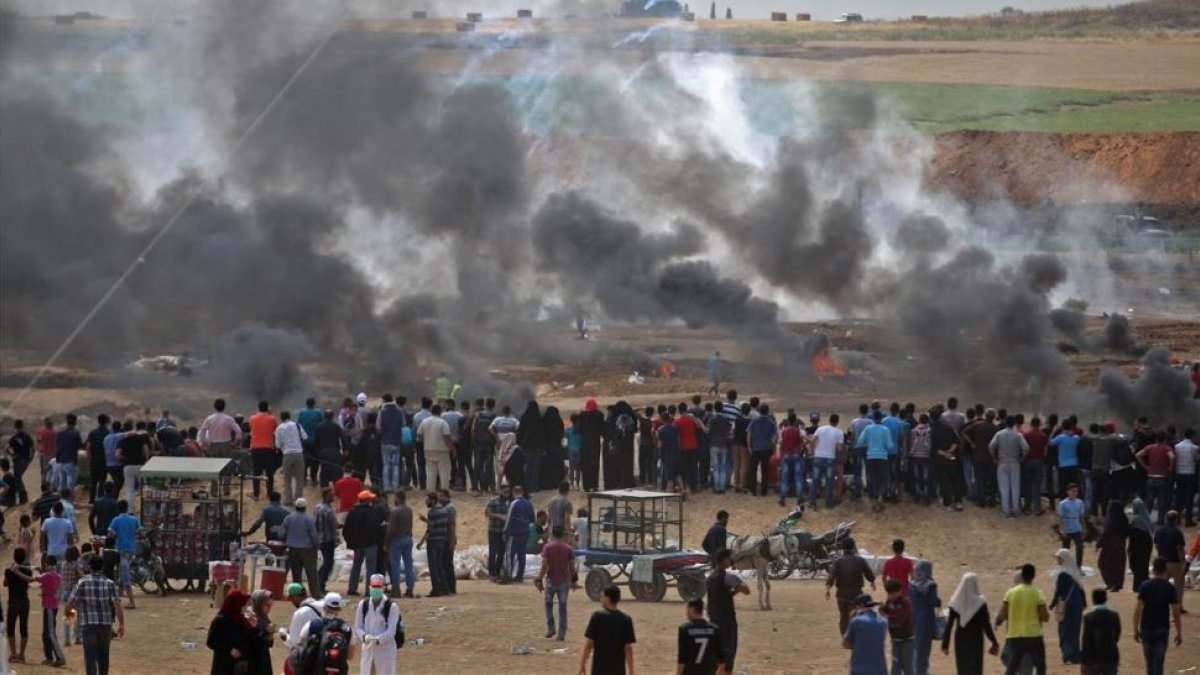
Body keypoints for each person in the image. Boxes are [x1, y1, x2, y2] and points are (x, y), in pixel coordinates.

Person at [66, 555, 124, 675]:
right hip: (105, 624)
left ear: (89, 567)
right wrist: (121, 624)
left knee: (90, 657)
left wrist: (70, 619)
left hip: (88, 625)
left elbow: (70, 603)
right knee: (104, 656)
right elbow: (117, 605)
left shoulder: (82, 582)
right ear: (102, 567)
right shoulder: (109, 583)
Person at [941, 572, 998, 675]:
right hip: (976, 639)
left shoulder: (955, 602)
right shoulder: (980, 603)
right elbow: (986, 625)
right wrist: (994, 641)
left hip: (960, 639)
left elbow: (949, 624)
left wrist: (945, 644)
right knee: (975, 667)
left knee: (962, 667)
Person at [996, 563, 1049, 675]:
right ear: (1033, 576)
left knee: (1012, 666)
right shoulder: (1037, 593)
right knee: (1040, 666)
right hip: (1033, 635)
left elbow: (1003, 614)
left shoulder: (1010, 593)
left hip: (1015, 635)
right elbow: (1045, 617)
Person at [1135, 557, 1182, 675]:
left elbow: (1137, 610)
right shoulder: (1169, 588)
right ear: (1165, 570)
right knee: (1159, 662)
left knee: (1149, 662)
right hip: (1162, 627)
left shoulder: (1145, 586)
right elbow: (1176, 613)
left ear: (1153, 569)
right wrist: (1179, 632)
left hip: (1146, 627)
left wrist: (1135, 630)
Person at [706, 548, 748, 672]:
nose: (731, 560)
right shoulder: (729, 577)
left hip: (713, 619)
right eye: (729, 558)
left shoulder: (710, 578)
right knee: (728, 653)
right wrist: (737, 588)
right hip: (727, 621)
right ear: (724, 560)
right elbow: (746, 590)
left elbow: (719, 596)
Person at [580, 585, 635, 675]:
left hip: (599, 669)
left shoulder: (597, 617)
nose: (600, 599)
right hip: (618, 670)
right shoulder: (625, 619)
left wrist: (583, 664)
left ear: (608, 598)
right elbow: (628, 648)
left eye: (602, 596)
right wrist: (631, 671)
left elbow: (589, 644)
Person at [294, 592, 354, 675]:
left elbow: (299, 647)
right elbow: (350, 655)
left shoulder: (312, 624)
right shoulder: (347, 628)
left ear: (324, 606)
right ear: (339, 608)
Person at [827, 538, 877, 636]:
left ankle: (845, 637)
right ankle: (856, 635)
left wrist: (828, 590)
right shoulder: (860, 560)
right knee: (857, 615)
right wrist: (872, 582)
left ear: (842, 548)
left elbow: (831, 576)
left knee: (843, 617)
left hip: (841, 594)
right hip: (857, 594)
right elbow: (868, 573)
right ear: (853, 547)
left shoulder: (838, 562)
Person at [353, 575, 400, 675]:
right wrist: (365, 637)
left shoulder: (391, 606)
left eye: (378, 587)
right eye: (374, 587)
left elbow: (391, 631)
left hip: (385, 650)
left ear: (383, 587)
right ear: (369, 586)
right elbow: (357, 626)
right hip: (368, 648)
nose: (376, 589)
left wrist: (378, 639)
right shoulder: (363, 604)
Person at [536, 526, 576, 641]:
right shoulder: (568, 549)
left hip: (551, 580)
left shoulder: (547, 547)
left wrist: (539, 578)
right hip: (564, 581)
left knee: (548, 604)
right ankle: (561, 633)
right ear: (563, 535)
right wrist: (574, 581)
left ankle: (551, 628)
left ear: (552, 535)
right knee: (562, 607)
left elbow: (544, 565)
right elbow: (572, 567)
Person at [1049, 548, 1086, 664]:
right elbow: (1081, 590)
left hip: (1063, 604)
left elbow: (1059, 591)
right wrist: (1084, 603)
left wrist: (1052, 604)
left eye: (1059, 558)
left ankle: (1067, 654)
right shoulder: (1074, 573)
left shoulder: (1062, 574)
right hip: (1077, 605)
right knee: (1075, 629)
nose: (1058, 560)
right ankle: (1076, 655)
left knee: (1064, 629)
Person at [279, 498, 320, 598]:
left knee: (296, 574)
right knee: (311, 574)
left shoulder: (288, 518)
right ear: (305, 508)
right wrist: (316, 547)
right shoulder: (308, 519)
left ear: (295, 507)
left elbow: (281, 534)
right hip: (307, 550)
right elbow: (314, 536)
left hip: (292, 550)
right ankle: (315, 595)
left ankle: (298, 595)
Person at [344, 491, 383, 597]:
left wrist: (350, 542)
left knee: (356, 566)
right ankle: (369, 591)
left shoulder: (352, 512)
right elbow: (376, 528)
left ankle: (352, 589)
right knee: (370, 568)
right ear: (366, 500)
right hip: (370, 544)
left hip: (357, 545)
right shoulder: (372, 512)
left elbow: (346, 529)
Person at [207, 589, 253, 675]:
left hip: (240, 666)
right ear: (236, 604)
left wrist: (252, 627)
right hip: (224, 666)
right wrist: (229, 650)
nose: (246, 608)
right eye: (244, 605)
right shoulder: (220, 620)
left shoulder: (241, 620)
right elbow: (211, 642)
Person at [107, 500, 141, 610]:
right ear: (127, 508)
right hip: (132, 549)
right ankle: (121, 593)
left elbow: (110, 534)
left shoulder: (116, 520)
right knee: (122, 572)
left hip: (121, 550)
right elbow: (141, 532)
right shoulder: (134, 519)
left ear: (118, 509)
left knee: (124, 574)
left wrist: (117, 536)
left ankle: (131, 602)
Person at [842, 594, 888, 675]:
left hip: (860, 669)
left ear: (861, 605)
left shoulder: (856, 621)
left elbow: (846, 644)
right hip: (880, 669)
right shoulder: (883, 622)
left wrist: (850, 620)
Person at [909, 560, 941, 675]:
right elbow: (933, 601)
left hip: (914, 617)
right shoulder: (931, 585)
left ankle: (917, 670)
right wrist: (938, 601)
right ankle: (921, 671)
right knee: (924, 647)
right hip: (926, 618)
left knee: (916, 646)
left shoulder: (912, 584)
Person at [677, 598, 724, 675]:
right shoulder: (714, 629)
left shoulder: (685, 629)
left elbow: (682, 658)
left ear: (692, 609)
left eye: (687, 609)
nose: (686, 613)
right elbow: (721, 659)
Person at [417, 492, 452, 597]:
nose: (426, 502)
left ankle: (436, 590)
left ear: (433, 500)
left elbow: (430, 529)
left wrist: (421, 542)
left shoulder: (432, 512)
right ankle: (445, 589)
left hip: (433, 541)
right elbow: (437, 524)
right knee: (440, 565)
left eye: (427, 500)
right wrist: (426, 521)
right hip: (442, 541)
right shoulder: (444, 510)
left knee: (433, 567)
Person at [1080, 587, 1120, 675]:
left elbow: (1086, 640)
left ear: (1093, 600)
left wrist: (1083, 660)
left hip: (1093, 658)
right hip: (1110, 656)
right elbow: (1116, 636)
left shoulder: (1088, 617)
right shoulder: (1114, 616)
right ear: (1106, 599)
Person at [1153, 509, 1187, 614]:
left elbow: (1157, 546)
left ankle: (1160, 606)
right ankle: (1178, 607)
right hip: (1175, 562)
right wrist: (1183, 561)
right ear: (1176, 519)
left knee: (1161, 585)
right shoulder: (1177, 531)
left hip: (1163, 562)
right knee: (1178, 586)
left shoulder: (1158, 530)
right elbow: (1179, 548)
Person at [880, 579, 915, 675]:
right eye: (888, 594)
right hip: (895, 639)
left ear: (900, 591)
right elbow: (885, 611)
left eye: (893, 594)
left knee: (908, 667)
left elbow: (902, 618)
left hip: (907, 639)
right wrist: (882, 608)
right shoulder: (889, 602)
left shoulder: (905, 602)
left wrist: (887, 616)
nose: (890, 596)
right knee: (895, 667)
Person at [417, 405, 454, 492]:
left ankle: (431, 491)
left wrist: (426, 440)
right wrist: (452, 448)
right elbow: (446, 437)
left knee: (430, 472)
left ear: (431, 411)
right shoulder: (443, 422)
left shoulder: (424, 421)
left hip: (428, 449)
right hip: (442, 450)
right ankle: (444, 491)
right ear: (440, 411)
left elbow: (419, 434)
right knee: (444, 472)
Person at [385, 491, 415, 599]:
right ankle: (410, 589)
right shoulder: (409, 510)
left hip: (397, 540)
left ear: (398, 498)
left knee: (395, 566)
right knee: (408, 565)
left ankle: (396, 589)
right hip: (408, 538)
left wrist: (386, 542)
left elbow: (391, 529)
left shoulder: (395, 511)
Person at [5, 547, 32, 664]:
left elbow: (5, 583)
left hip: (13, 602)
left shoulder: (9, 571)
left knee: (10, 628)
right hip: (24, 601)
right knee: (23, 628)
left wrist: (13, 569)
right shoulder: (27, 570)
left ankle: (13, 653)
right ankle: (21, 654)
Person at [274, 411, 307, 506]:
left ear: (281, 418)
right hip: (299, 453)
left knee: (287, 478)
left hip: (287, 454)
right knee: (300, 478)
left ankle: (288, 500)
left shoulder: (279, 428)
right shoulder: (297, 425)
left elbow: (277, 445)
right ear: (290, 416)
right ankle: (299, 500)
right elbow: (305, 437)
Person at [1096, 500, 1129, 592]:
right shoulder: (1124, 519)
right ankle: (1117, 584)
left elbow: (1106, 533)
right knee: (1118, 566)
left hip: (1110, 546)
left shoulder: (1111, 520)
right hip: (1120, 546)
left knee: (1103, 563)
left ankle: (1110, 583)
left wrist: (1099, 544)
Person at [283, 583, 322, 658]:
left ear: (296, 597)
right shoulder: (323, 606)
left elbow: (293, 642)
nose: (292, 602)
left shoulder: (299, 613)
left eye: (291, 599)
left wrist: (285, 636)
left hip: (309, 655)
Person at [504, 486, 535, 583]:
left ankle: (509, 575)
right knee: (522, 555)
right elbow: (532, 519)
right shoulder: (529, 503)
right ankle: (519, 575)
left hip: (515, 532)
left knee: (510, 554)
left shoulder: (514, 503)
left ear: (514, 493)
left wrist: (505, 530)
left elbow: (508, 518)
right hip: (525, 532)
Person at [745, 405, 777, 497]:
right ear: (767, 412)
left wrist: (749, 446)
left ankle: (753, 489)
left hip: (756, 448)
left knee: (753, 469)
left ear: (759, 411)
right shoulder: (771, 422)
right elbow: (775, 436)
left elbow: (749, 434)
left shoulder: (754, 421)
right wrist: (773, 445)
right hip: (767, 448)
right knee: (765, 469)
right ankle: (764, 490)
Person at [314, 488, 339, 594]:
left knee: (327, 562)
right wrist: (337, 539)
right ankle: (320, 583)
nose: (333, 497)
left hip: (321, 539)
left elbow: (315, 524)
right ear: (325, 496)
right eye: (331, 495)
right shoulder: (327, 510)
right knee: (328, 563)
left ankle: (319, 583)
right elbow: (333, 526)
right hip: (328, 540)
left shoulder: (318, 508)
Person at [485, 487, 512, 581]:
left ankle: (497, 572)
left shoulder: (509, 503)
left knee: (502, 552)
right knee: (493, 552)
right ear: (500, 491)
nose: (506, 493)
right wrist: (499, 516)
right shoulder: (493, 501)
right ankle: (491, 573)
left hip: (504, 531)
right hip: (493, 530)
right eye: (505, 492)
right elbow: (487, 513)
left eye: (508, 492)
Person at [1057, 483, 1086, 568]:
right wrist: (1062, 529)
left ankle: (1078, 566)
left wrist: (1084, 528)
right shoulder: (1063, 504)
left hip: (1077, 527)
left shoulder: (1080, 503)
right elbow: (1060, 518)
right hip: (1067, 527)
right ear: (1068, 492)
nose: (1074, 493)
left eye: (1076, 491)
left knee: (1080, 547)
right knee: (1065, 549)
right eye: (1072, 491)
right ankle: (1065, 566)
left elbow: (1081, 517)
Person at [247, 589, 276, 675]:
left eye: (271, 606)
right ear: (259, 603)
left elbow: (268, 643)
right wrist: (266, 632)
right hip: (251, 659)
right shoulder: (249, 616)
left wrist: (270, 634)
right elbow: (250, 640)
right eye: (267, 605)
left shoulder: (264, 618)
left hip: (262, 658)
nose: (269, 609)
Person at [1129, 497, 1155, 591]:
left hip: (1137, 543)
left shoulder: (1135, 519)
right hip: (1147, 543)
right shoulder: (1147, 517)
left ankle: (1138, 586)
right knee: (1144, 565)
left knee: (1137, 565)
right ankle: (1145, 584)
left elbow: (1132, 533)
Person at [8, 420, 34, 505]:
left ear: (15, 427)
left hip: (18, 460)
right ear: (22, 426)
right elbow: (33, 448)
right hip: (25, 460)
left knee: (17, 479)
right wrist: (31, 458)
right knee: (18, 478)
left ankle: (23, 498)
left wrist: (12, 455)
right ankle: (22, 497)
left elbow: (6, 448)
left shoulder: (14, 438)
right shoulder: (27, 436)